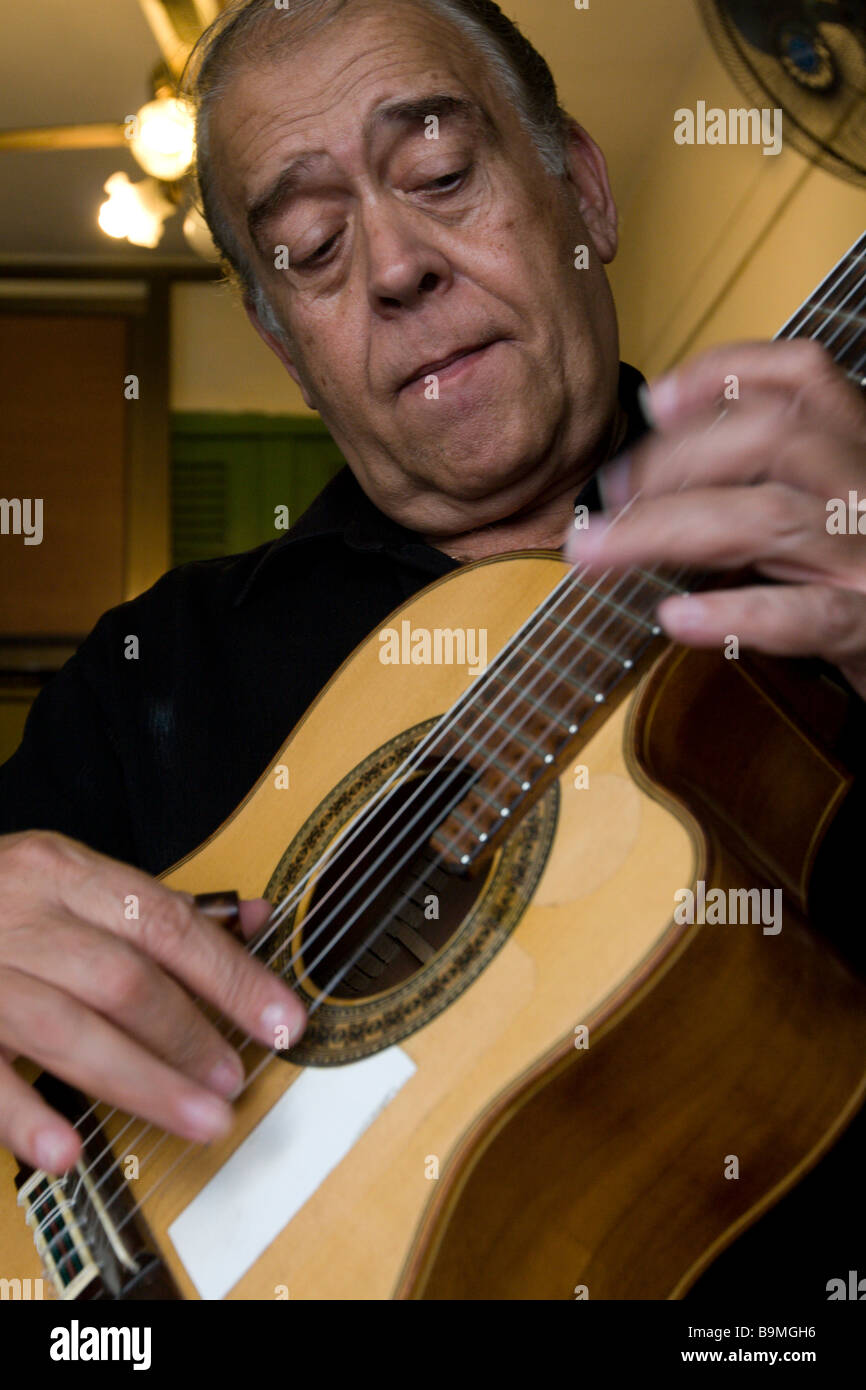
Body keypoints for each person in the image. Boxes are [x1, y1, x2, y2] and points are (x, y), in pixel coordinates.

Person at [1, 0, 864, 1296]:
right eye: (311, 246)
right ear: (289, 352)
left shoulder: (827, 519)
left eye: (441, 174)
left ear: (580, 189)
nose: (394, 264)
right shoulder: (157, 668)